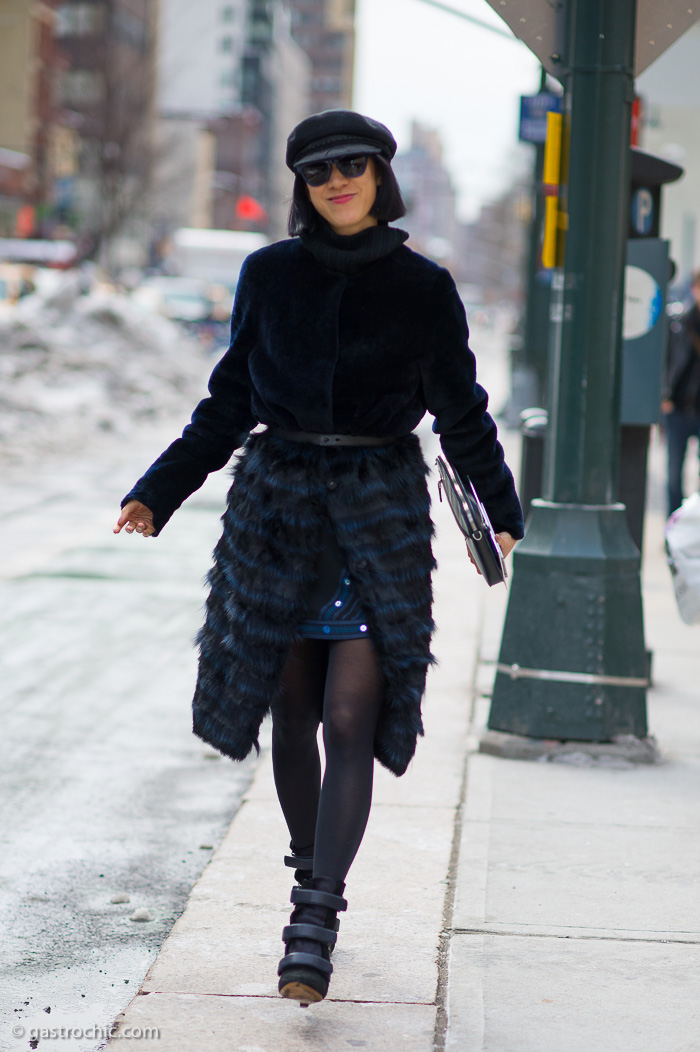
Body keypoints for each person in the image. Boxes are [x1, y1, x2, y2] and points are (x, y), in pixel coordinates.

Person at [114, 110, 524, 1007]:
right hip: (279, 511)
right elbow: (228, 399)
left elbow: (462, 410)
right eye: (318, 169)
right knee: (291, 713)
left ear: (381, 174)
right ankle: (313, 864)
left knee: (351, 716)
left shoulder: (423, 287)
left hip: (376, 514)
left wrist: (501, 509)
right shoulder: (268, 275)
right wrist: (159, 490)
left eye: (354, 165)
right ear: (303, 184)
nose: (337, 180)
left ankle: (315, 915)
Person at [662, 270, 700, 516]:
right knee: (674, 476)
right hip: (677, 410)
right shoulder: (680, 322)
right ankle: (673, 530)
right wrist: (664, 395)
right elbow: (667, 360)